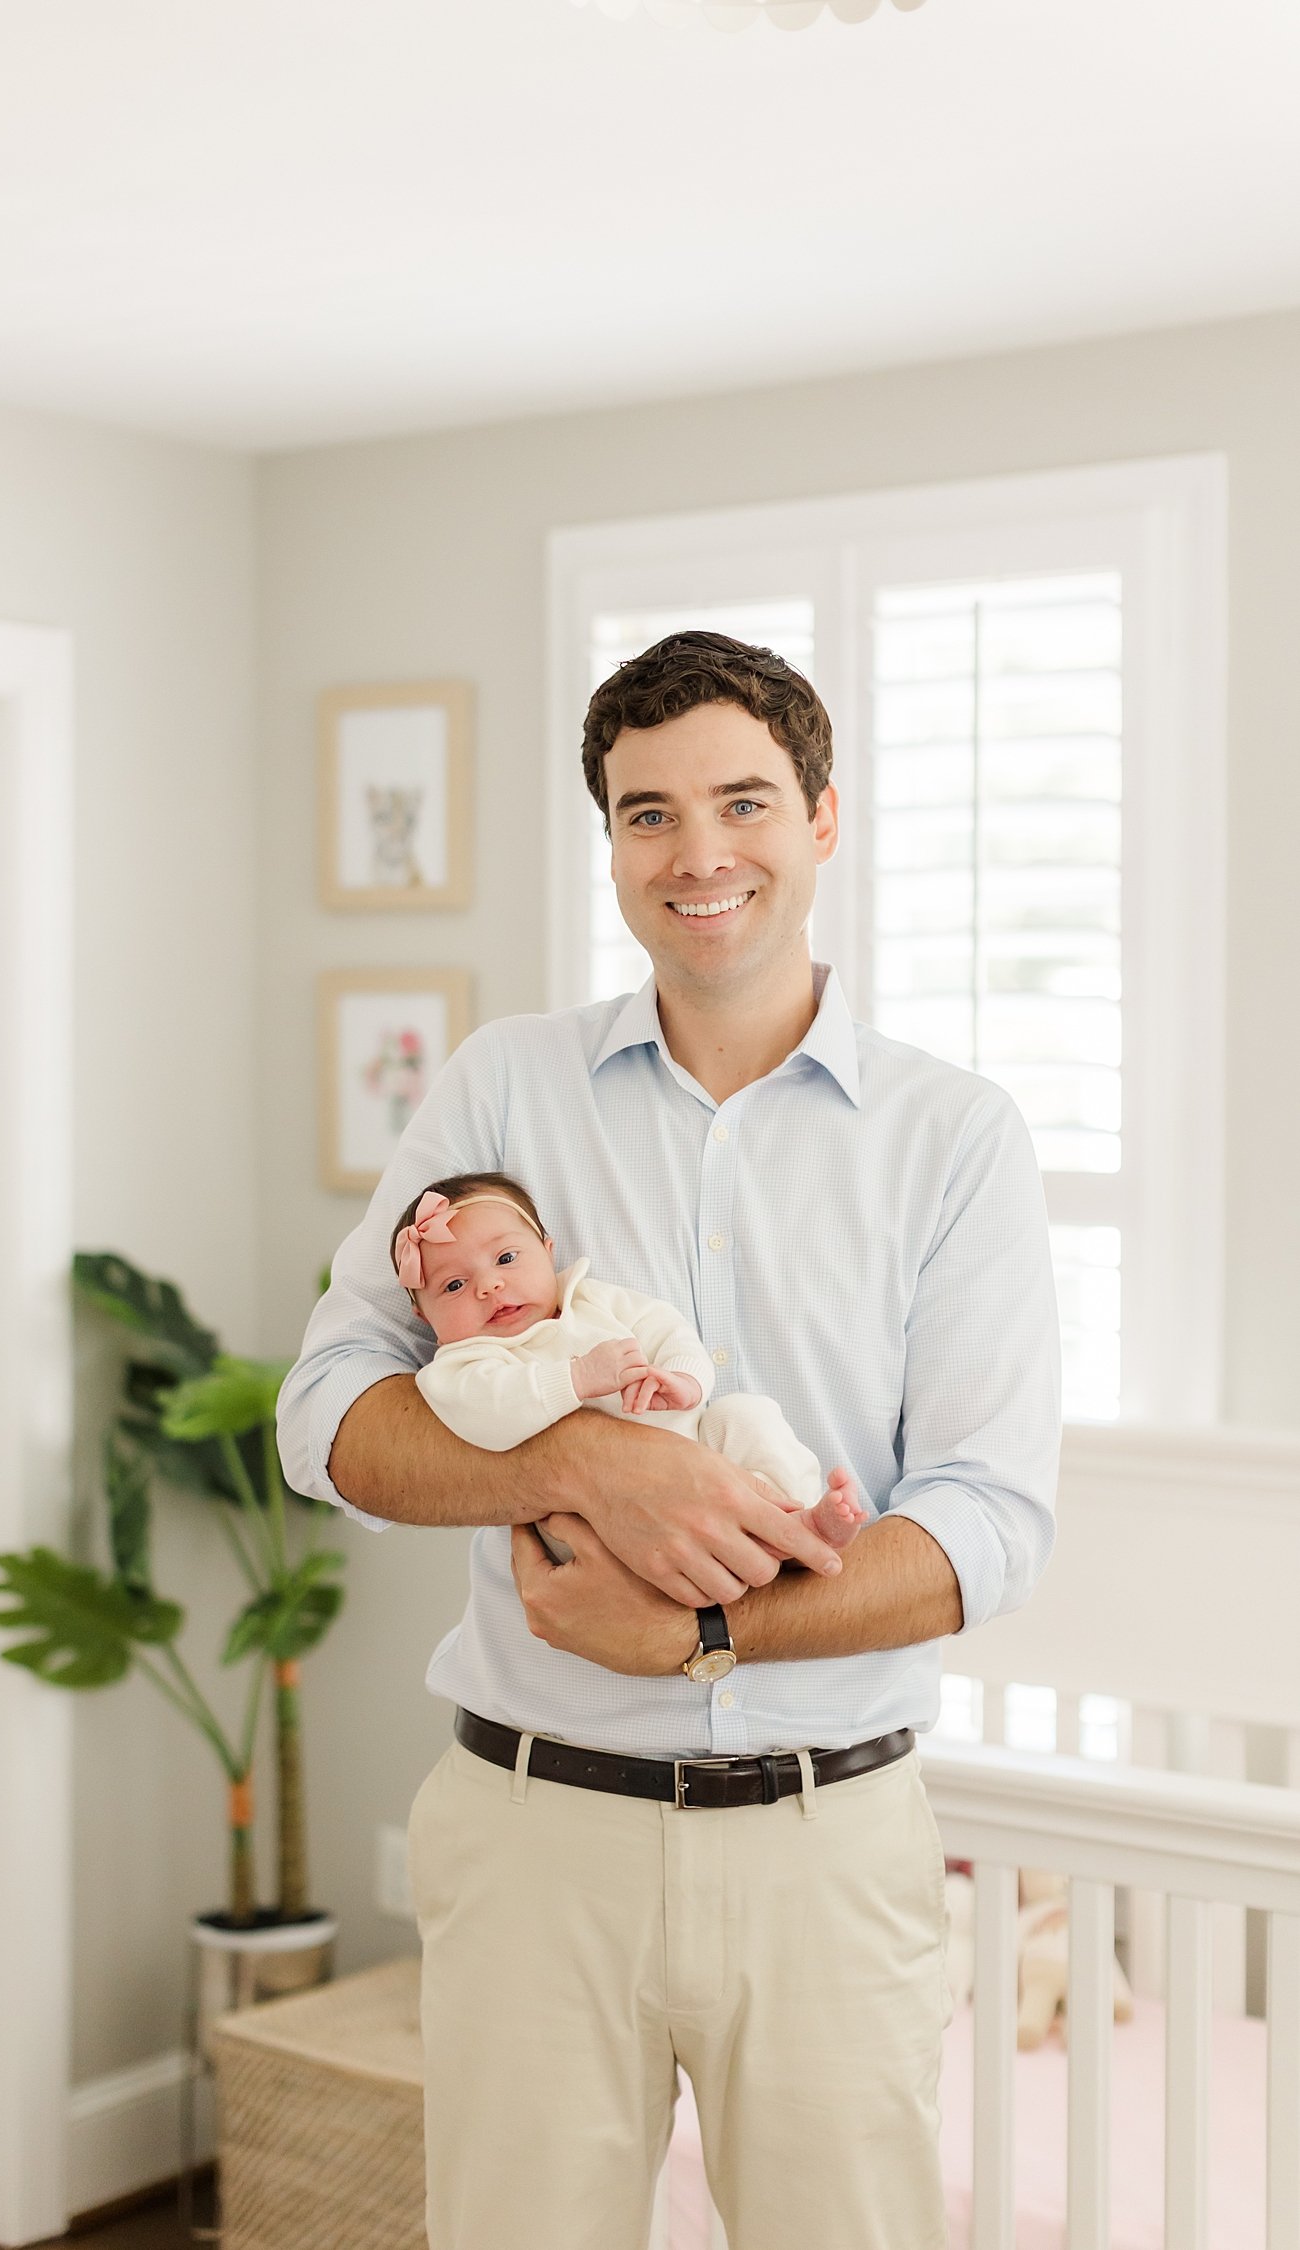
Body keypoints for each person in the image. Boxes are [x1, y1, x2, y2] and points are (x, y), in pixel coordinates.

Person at [277, 629, 1061, 2250]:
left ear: (824, 819)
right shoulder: (502, 1088)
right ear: (611, 842)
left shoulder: (954, 1137)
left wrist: (698, 1630)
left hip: (827, 1845)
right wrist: (578, 1460)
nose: (699, 855)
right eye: (647, 814)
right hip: (531, 1834)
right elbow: (326, 1423)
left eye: (744, 803)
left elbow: (988, 1520)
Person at [388, 1170, 867, 1561]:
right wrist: (575, 1379)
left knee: (746, 1414)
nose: (489, 1286)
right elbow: (489, 1415)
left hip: (700, 1450)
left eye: (507, 1258)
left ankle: (797, 1520)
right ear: (422, 1315)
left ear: (548, 1252)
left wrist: (682, 1378)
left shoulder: (595, 1298)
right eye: (453, 1286)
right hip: (601, 1514)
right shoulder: (463, 1363)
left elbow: (666, 1329)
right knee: (573, 1536)